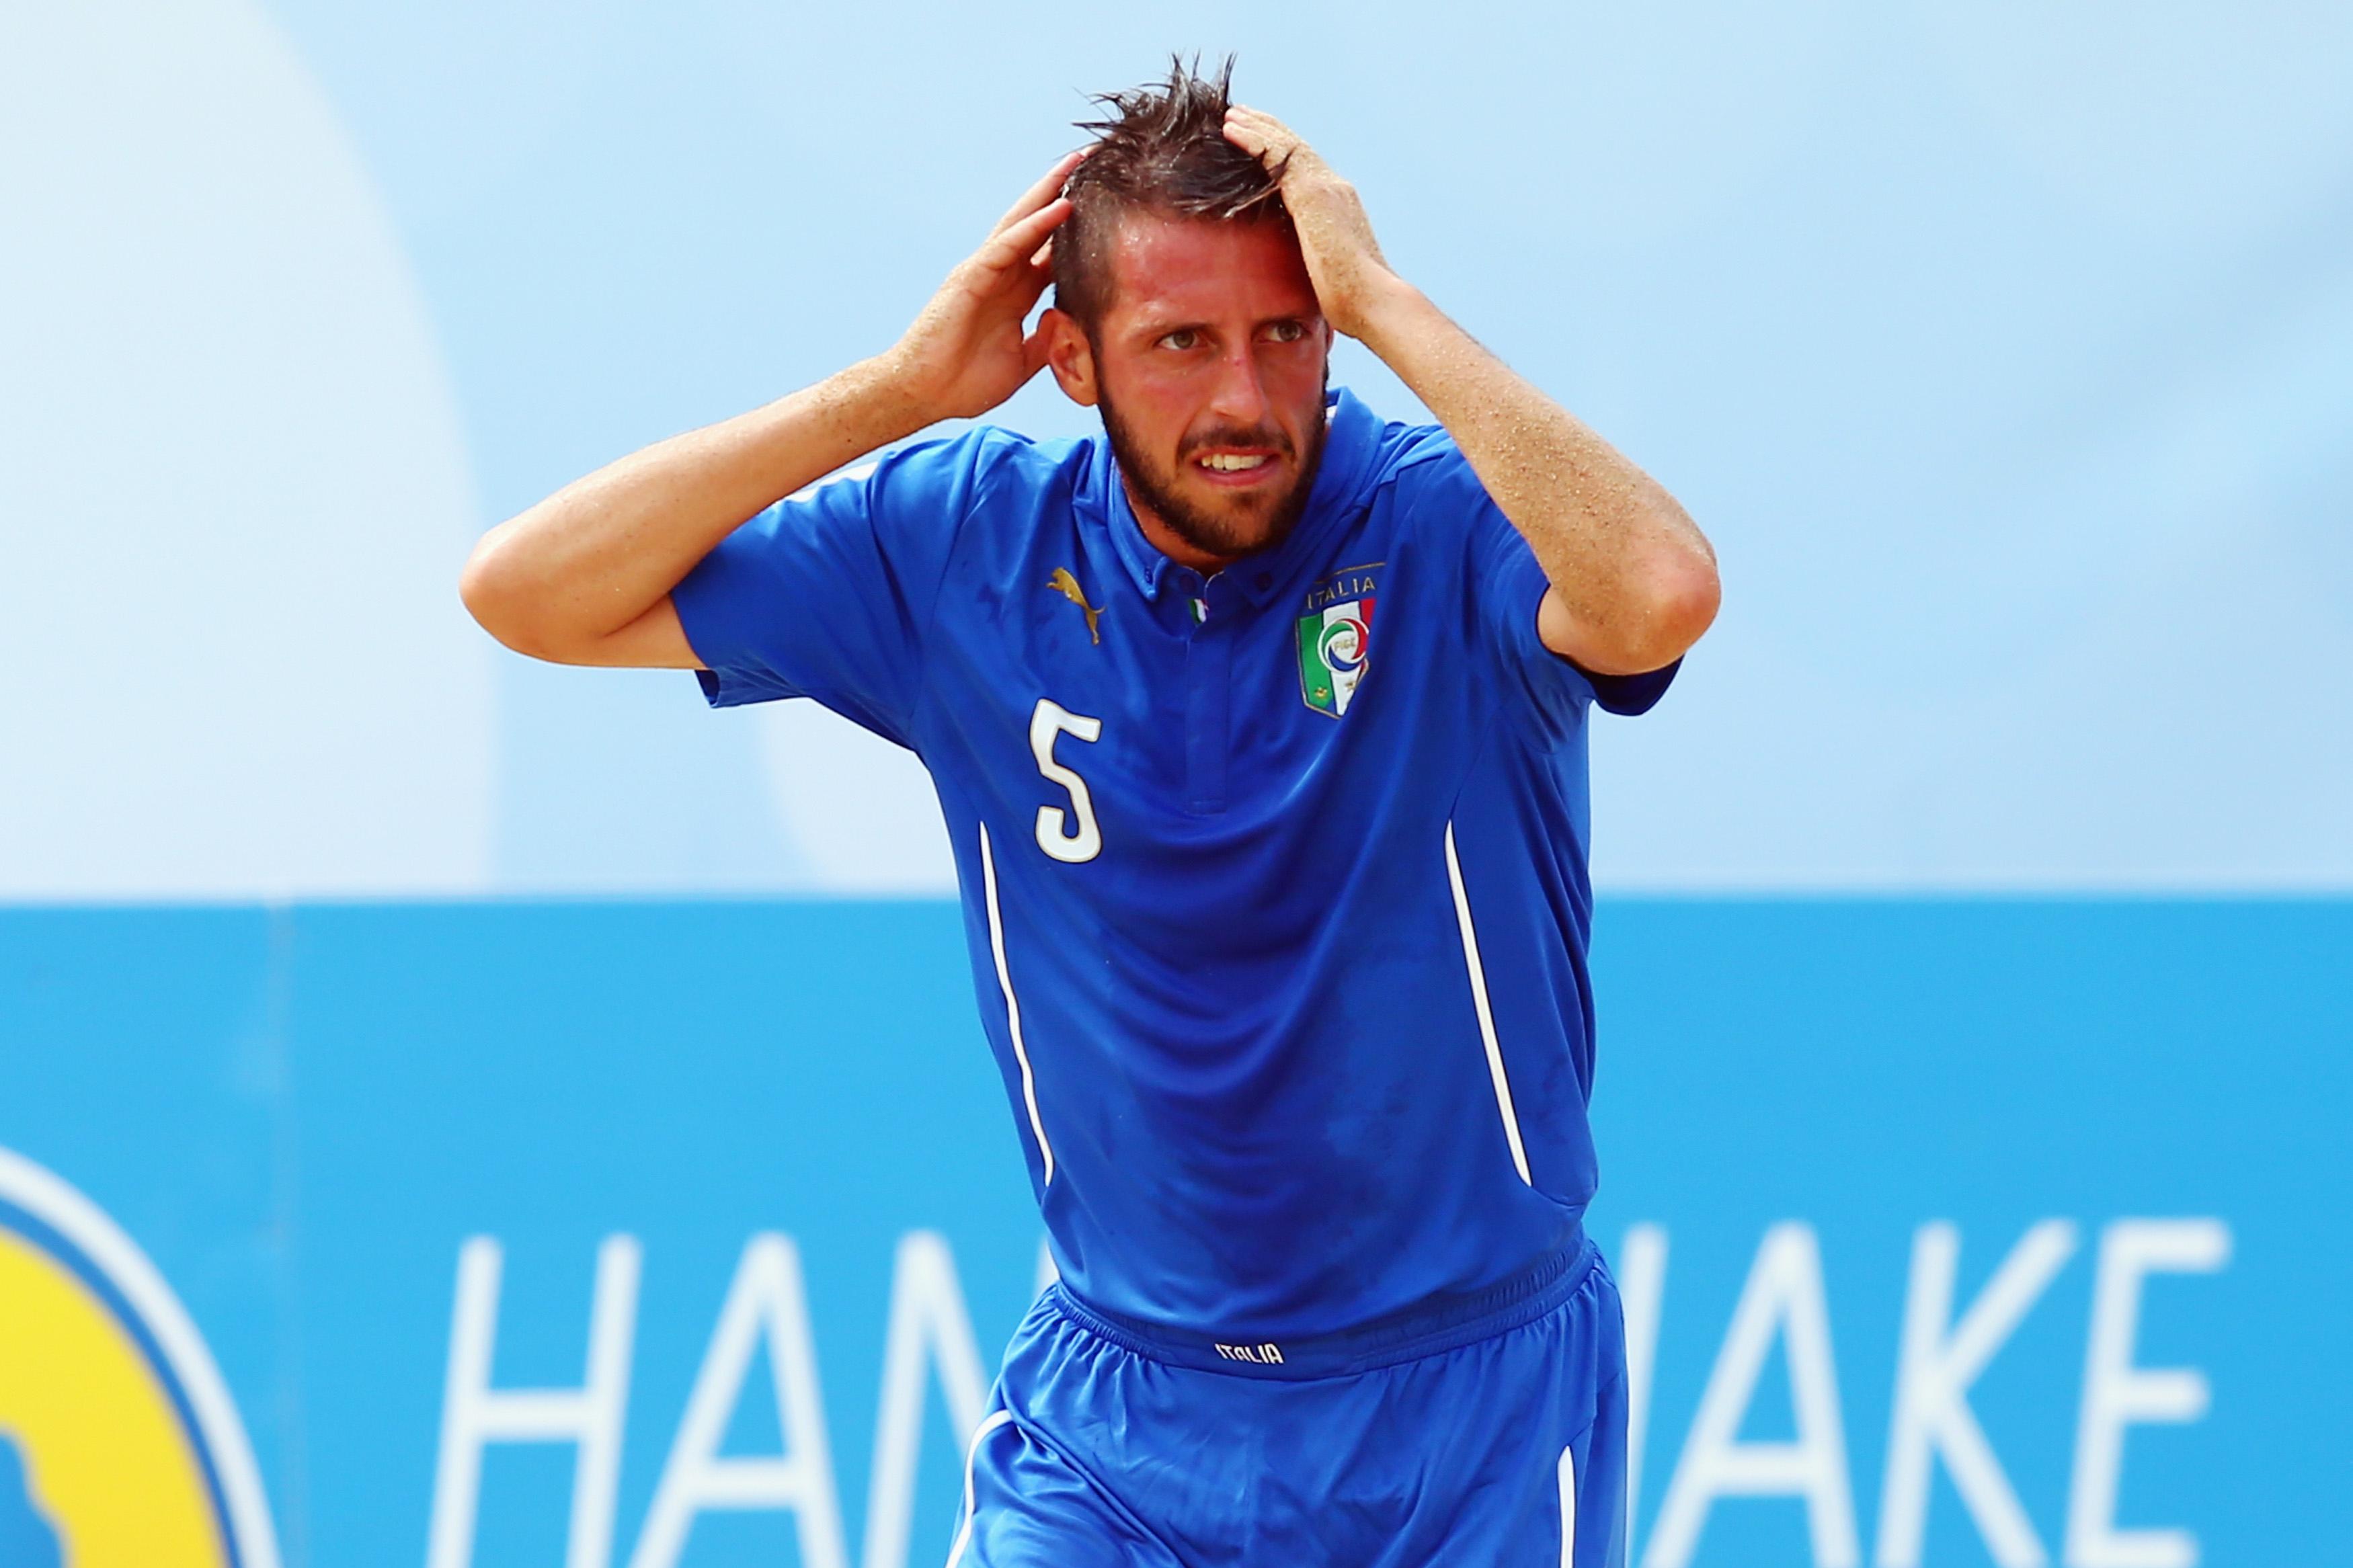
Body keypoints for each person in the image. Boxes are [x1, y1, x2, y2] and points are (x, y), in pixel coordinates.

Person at [463, 57, 1716, 1568]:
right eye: (1181, 343)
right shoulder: (957, 543)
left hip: (1466, 1421)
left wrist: (1383, 301)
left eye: (1285, 335)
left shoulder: (1447, 524)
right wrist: (895, 392)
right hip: (1120, 1429)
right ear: (1071, 357)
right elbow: (528, 593)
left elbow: (1657, 595)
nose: (1244, 399)